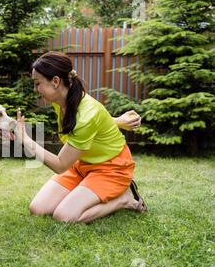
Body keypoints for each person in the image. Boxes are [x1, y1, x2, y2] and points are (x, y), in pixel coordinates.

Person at [16, 51, 147, 224]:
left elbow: (61, 165)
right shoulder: (59, 101)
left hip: (111, 169)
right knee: (37, 209)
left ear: (56, 81)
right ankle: (85, 190)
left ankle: (125, 199)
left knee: (64, 216)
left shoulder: (87, 113)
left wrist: (25, 140)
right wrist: (118, 121)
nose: (35, 89)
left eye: (37, 83)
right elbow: (96, 125)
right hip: (81, 165)